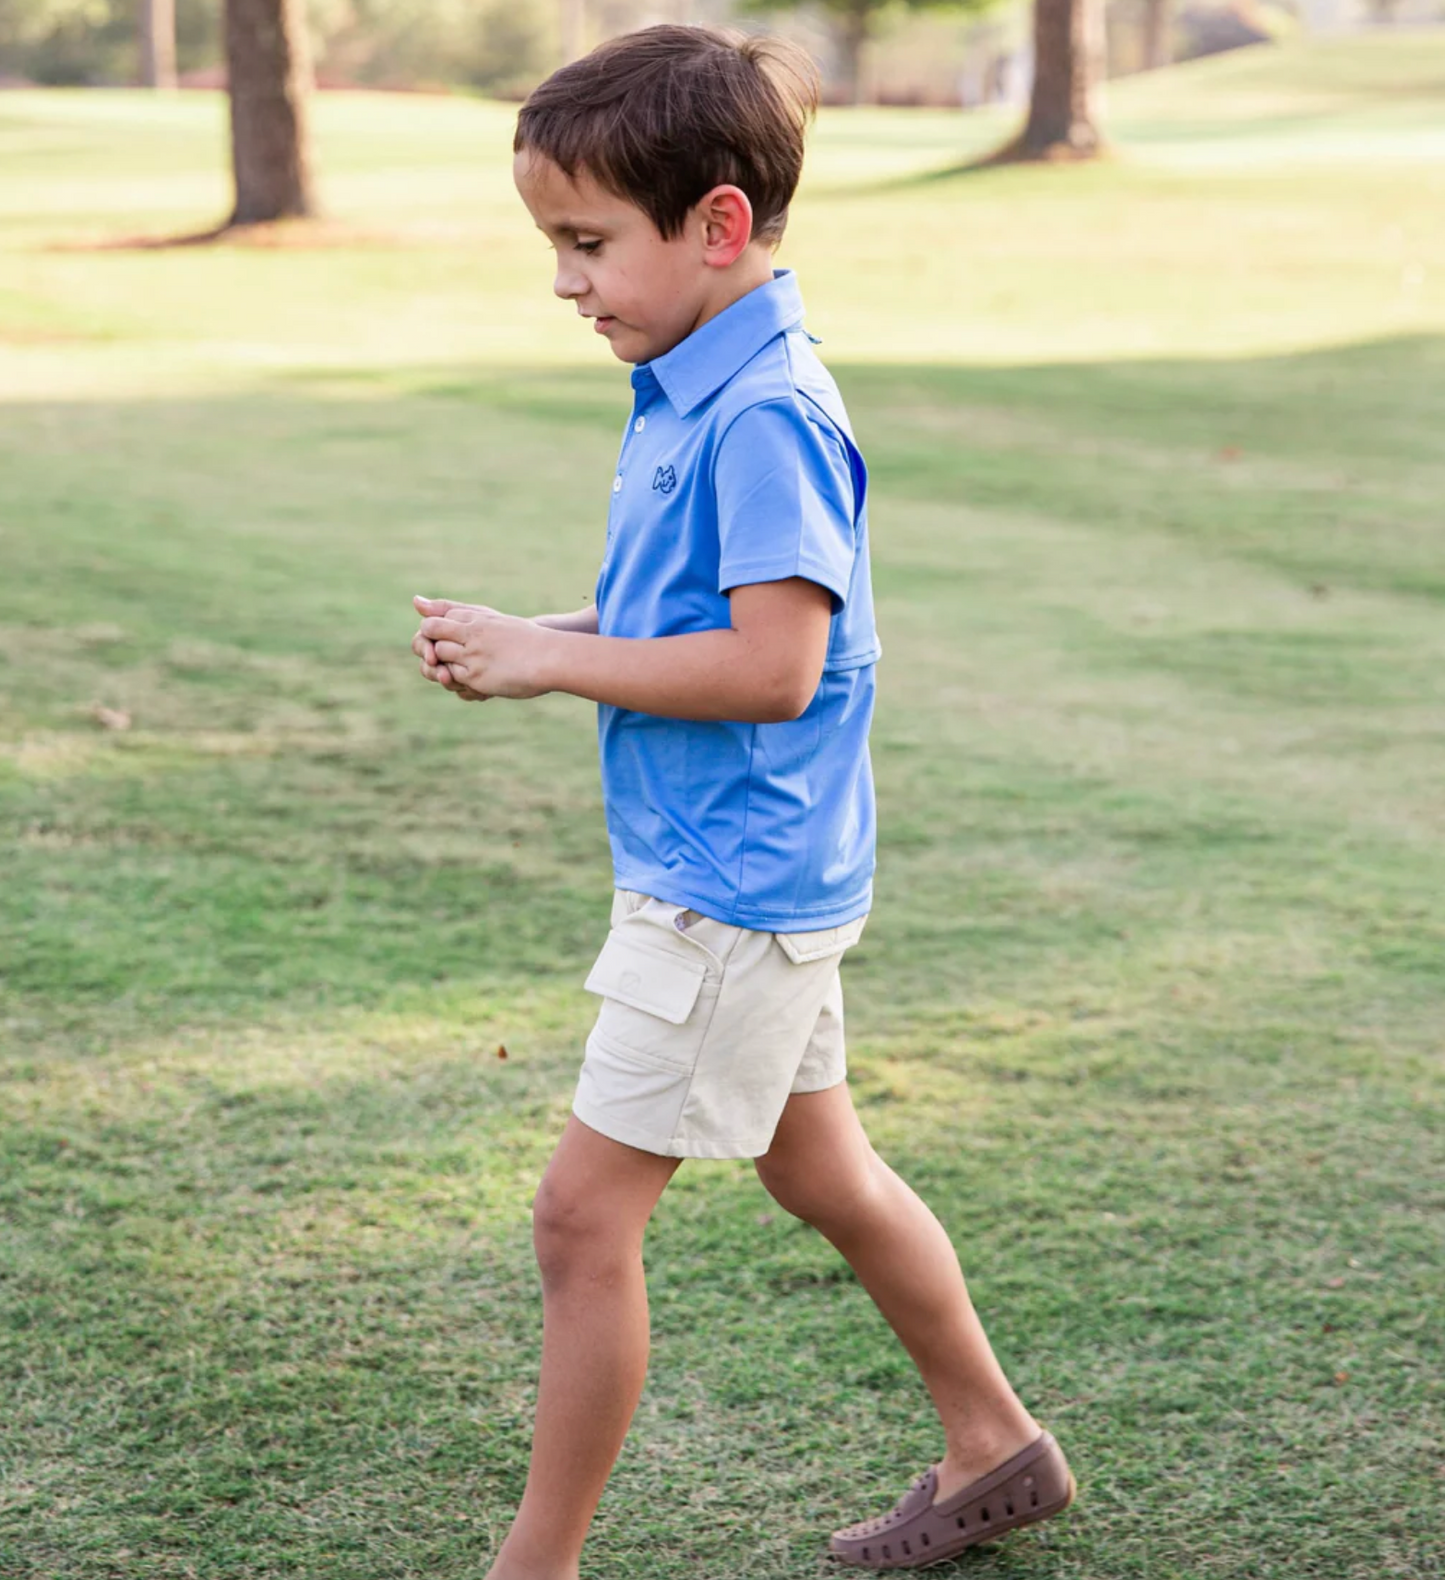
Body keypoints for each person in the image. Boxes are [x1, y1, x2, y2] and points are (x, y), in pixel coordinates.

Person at [411, 24, 1074, 1576]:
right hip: (746, 871)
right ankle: (997, 1446)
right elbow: (689, 611)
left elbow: (775, 666)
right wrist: (547, 632)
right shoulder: (690, 375)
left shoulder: (766, 406)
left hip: (729, 889)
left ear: (716, 226)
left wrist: (548, 668)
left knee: (583, 1222)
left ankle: (535, 1567)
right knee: (821, 1169)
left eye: (587, 244)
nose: (566, 282)